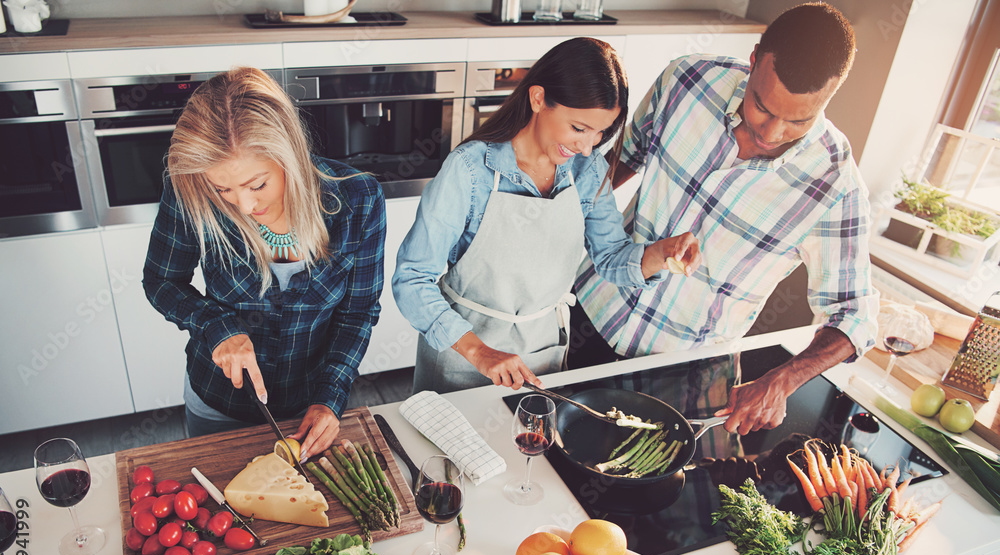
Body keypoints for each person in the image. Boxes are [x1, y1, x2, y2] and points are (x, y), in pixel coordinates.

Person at [572, 2, 879, 435]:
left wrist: (783, 380)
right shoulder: (686, 81)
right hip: (588, 311)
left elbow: (855, 316)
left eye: (798, 120)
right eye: (763, 106)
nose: (770, 133)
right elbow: (616, 164)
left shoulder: (836, 186)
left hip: (685, 374)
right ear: (754, 61)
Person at [392, 37, 700, 394]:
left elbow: (611, 258)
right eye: (579, 128)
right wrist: (481, 353)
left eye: (601, 133)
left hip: (543, 354)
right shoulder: (470, 170)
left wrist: (660, 254)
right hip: (463, 358)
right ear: (538, 98)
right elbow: (412, 278)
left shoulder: (588, 170)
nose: (586, 147)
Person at [143, 67, 386, 461]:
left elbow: (357, 312)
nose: (245, 206)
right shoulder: (189, 191)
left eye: (257, 184)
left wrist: (331, 396)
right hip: (218, 404)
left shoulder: (359, 199)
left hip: (307, 407)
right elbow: (161, 280)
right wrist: (217, 327)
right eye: (223, 189)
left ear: (288, 154)